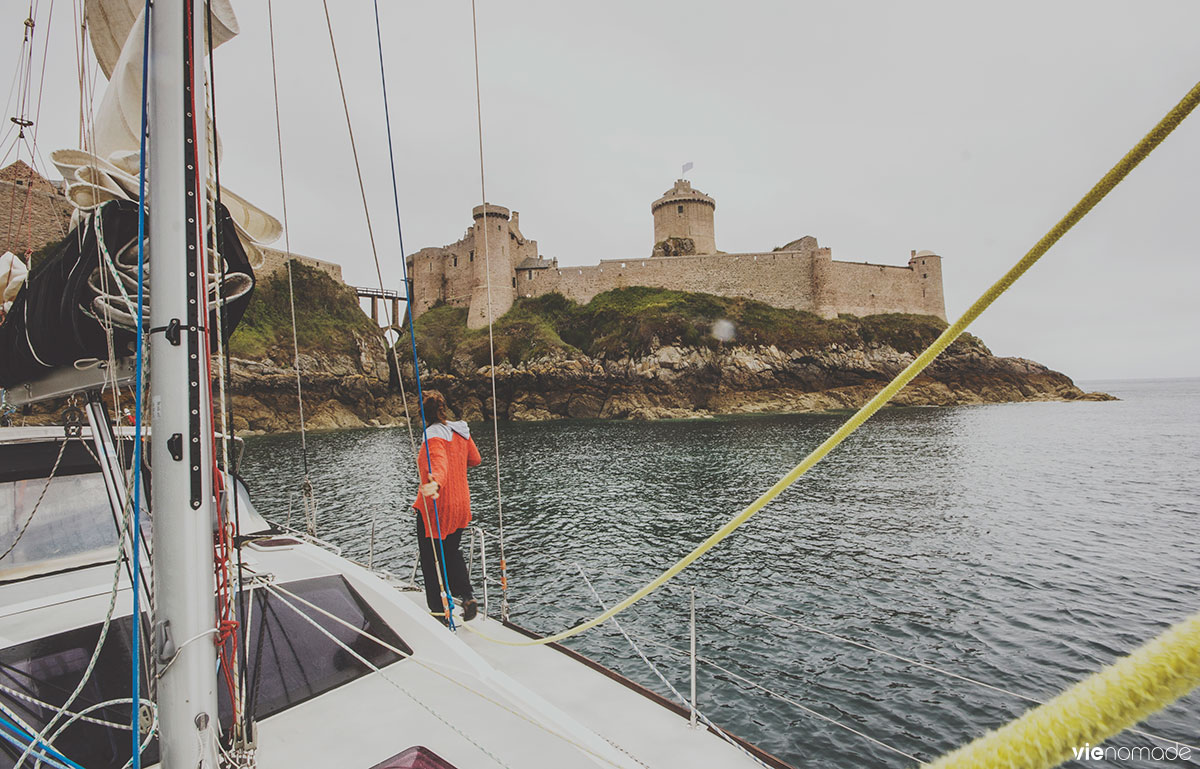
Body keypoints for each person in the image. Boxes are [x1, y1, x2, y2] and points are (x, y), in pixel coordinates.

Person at [412, 391, 481, 623]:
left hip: (437, 507)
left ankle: (439, 615)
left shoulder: (432, 436)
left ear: (422, 414)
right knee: (451, 552)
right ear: (444, 408)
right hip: (460, 505)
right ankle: (467, 595)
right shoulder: (460, 431)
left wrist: (436, 482)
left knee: (431, 563)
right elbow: (476, 459)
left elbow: (438, 462)